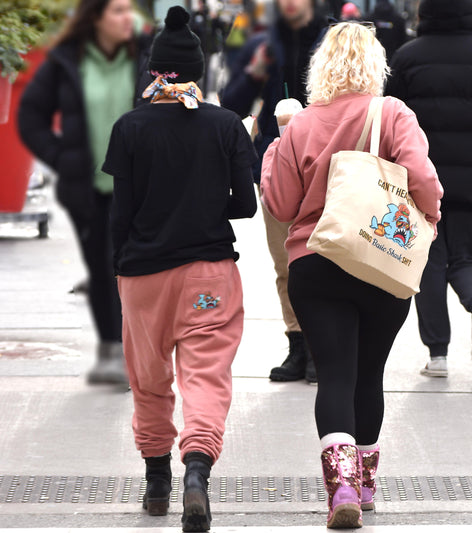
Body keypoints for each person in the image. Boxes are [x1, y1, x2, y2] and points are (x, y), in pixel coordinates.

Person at [260, 22, 442, 528]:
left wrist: (278, 142)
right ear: (375, 64)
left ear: (322, 67)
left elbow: (279, 204)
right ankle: (365, 485)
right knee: (369, 375)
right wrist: (430, 218)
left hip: (317, 262)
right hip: (383, 261)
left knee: (335, 374)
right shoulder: (394, 114)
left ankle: (340, 486)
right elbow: (424, 178)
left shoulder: (301, 124)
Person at [102, 6, 257, 530]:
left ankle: (155, 484)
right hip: (209, 273)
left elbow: (120, 214)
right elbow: (245, 206)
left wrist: (117, 276)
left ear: (153, 70)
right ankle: (196, 473)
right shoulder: (226, 125)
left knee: (149, 382)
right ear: (198, 68)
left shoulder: (129, 127)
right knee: (206, 378)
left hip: (143, 276)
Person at [386, 0, 472, 378]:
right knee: (466, 257)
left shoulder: (407, 57)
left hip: (418, 181)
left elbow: (389, 119)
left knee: (427, 263)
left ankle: (438, 356)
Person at [17, 0, 153, 385]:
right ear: (96, 19)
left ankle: (133, 351)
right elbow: (30, 116)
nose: (129, 18)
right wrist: (63, 157)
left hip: (138, 187)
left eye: (130, 10)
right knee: (101, 267)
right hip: (88, 188)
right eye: (118, 11)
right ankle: (113, 350)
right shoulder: (66, 60)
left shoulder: (145, 57)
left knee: (134, 269)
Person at [221, 0, 328, 383]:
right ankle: (298, 345)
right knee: (286, 264)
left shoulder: (331, 39)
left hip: (329, 167)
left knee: (328, 258)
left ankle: (324, 348)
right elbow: (231, 102)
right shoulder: (263, 43)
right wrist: (255, 71)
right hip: (276, 167)